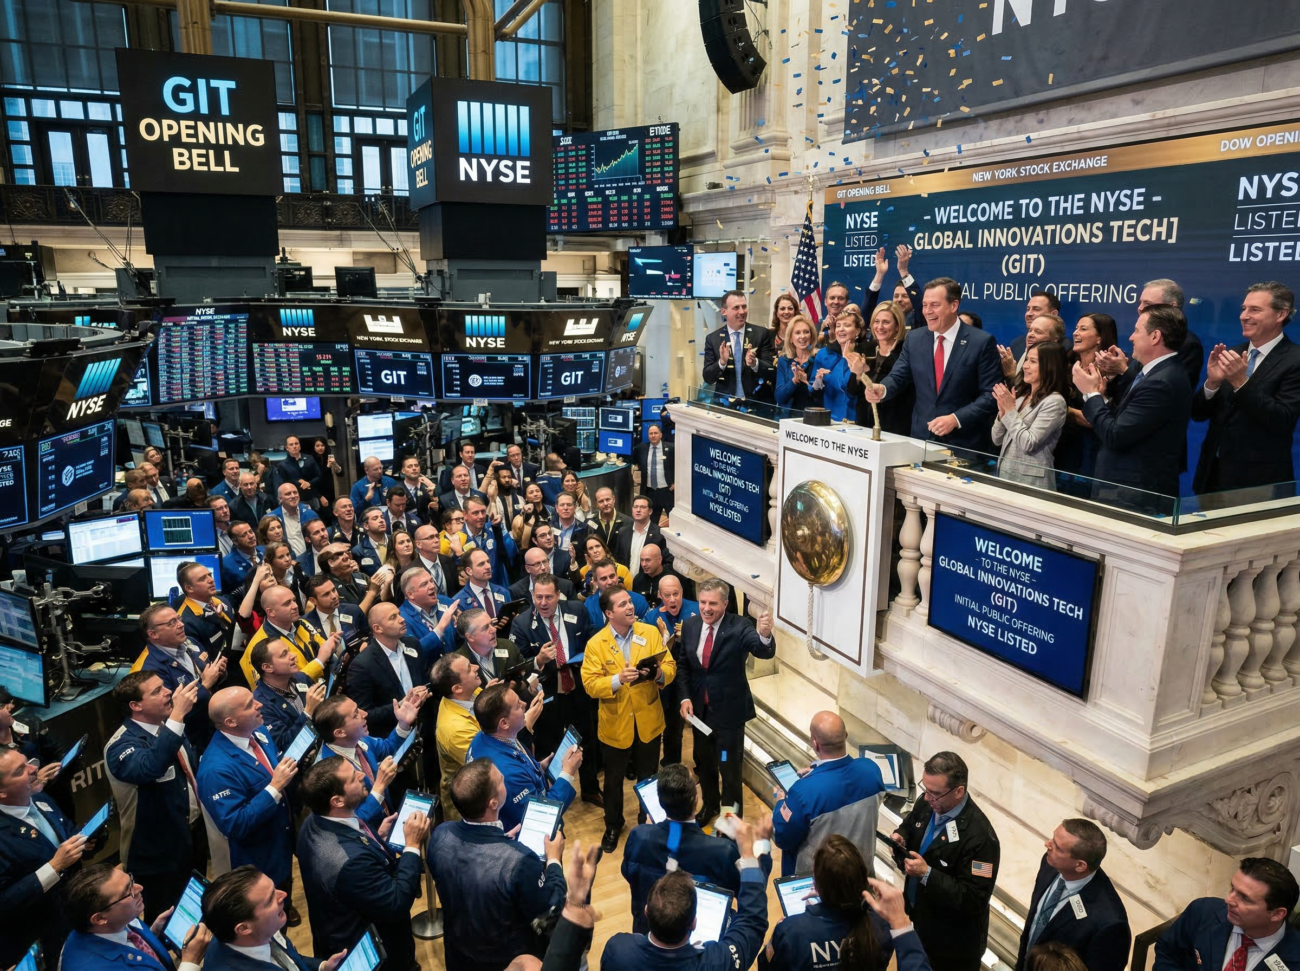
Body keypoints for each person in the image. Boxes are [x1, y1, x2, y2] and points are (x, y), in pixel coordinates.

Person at [427, 758, 568, 971]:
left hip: (459, 957)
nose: (505, 781)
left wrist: (501, 841)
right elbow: (550, 912)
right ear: (493, 803)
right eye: (501, 780)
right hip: (507, 961)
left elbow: (471, 870)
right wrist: (555, 860)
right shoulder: (521, 861)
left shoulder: (439, 835)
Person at [296, 757, 428, 971]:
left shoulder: (314, 821)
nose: (362, 775)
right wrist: (412, 845)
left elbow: (355, 844)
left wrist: (377, 839)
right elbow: (396, 903)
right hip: (376, 953)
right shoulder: (351, 862)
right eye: (352, 778)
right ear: (337, 801)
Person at [601, 815, 769, 971]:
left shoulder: (618, 952)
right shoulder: (716, 963)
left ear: (647, 912)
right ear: (693, 923)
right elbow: (752, 922)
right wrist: (748, 853)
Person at [621, 762, 773, 934]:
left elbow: (629, 873)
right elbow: (752, 892)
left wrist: (648, 831)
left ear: (661, 804)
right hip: (698, 939)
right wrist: (762, 848)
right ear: (696, 800)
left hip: (648, 933)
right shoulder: (722, 851)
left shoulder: (638, 836)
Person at [582, 585, 676, 852]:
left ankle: (647, 822)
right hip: (615, 724)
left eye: (630, 602)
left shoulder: (649, 632)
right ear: (609, 613)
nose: (630, 606)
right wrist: (616, 680)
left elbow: (669, 667)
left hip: (648, 720)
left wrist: (657, 675)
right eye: (623, 604)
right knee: (613, 781)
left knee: (649, 778)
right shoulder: (596, 644)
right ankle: (613, 825)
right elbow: (590, 685)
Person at [104, 671, 203, 921]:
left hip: (189, 837)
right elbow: (150, 767)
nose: (168, 692)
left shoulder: (167, 726)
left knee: (193, 910)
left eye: (164, 687)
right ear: (135, 706)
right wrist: (178, 715)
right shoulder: (120, 746)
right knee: (162, 919)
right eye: (157, 691)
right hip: (154, 855)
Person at [1073, 304, 1193, 507]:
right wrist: (1100, 398)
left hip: (1135, 494)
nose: (1131, 337)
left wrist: (1090, 393)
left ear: (1155, 337)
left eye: (1137, 331)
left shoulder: (1161, 382)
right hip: (1125, 490)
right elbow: (1123, 423)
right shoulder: (1153, 374)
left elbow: (1115, 435)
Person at [891, 750, 1001, 971]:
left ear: (958, 791)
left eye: (935, 793)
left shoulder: (981, 839)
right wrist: (900, 835)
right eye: (926, 789)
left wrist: (927, 874)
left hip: (950, 945)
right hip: (918, 919)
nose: (928, 797)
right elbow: (911, 824)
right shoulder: (928, 802)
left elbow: (973, 899)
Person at [865, 278, 1002, 451]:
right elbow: (898, 376)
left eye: (934, 305)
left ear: (953, 306)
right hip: (921, 439)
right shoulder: (914, 339)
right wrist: (882, 389)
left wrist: (956, 418)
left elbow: (991, 394)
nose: (927, 311)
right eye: (924, 305)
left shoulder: (981, 342)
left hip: (964, 444)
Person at [676, 580, 774, 822]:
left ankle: (732, 821)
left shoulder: (739, 626)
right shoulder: (689, 625)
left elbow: (762, 650)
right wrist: (685, 698)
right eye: (702, 602)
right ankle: (710, 806)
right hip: (700, 714)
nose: (706, 608)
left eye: (713, 603)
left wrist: (764, 634)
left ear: (726, 604)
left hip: (729, 717)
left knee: (729, 771)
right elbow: (683, 666)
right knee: (705, 764)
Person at [1192, 282, 1300, 497]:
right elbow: (1197, 414)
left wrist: (1241, 382)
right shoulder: (1234, 352)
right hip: (1212, 475)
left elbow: (1283, 419)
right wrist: (1211, 384)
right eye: (1244, 308)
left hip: (1258, 483)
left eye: (1255, 309)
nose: (1244, 316)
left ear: (1281, 314)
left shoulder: (1295, 359)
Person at [196, 687, 297, 908]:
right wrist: (275, 787)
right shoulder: (216, 769)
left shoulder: (258, 733)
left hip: (281, 846)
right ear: (231, 722)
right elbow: (235, 824)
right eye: (250, 704)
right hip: (257, 864)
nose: (259, 704)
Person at [759, 834, 897, 971]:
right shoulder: (881, 927)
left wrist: (778, 934)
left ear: (816, 883)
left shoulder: (790, 932)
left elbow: (765, 966)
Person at [771, 710, 884, 876]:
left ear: (815, 744)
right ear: (845, 735)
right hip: (860, 877)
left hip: (819, 885)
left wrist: (782, 801)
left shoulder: (801, 792)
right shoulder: (871, 770)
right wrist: (818, 772)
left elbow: (782, 837)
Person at [0, 747, 86, 965]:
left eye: (27, 761)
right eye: (20, 770)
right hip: (42, 938)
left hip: (77, 913)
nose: (33, 769)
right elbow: (4, 903)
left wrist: (88, 840)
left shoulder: (40, 798)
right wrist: (54, 867)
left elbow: (66, 831)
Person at [509, 574, 596, 783]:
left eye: (548, 597)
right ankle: (556, 790)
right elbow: (518, 666)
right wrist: (538, 660)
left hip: (579, 687)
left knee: (588, 740)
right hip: (547, 693)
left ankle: (591, 789)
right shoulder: (521, 623)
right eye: (538, 597)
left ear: (559, 595)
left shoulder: (577, 609)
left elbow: (591, 641)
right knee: (550, 743)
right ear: (532, 595)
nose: (543, 602)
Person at [1015, 819, 1130, 971]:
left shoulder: (1110, 924)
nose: (1047, 844)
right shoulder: (1050, 863)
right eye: (1053, 839)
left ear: (1080, 865)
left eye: (1057, 847)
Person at [466, 683, 581, 831]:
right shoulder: (507, 773)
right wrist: (567, 774)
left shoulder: (483, 737)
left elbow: (516, 760)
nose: (525, 704)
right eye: (518, 706)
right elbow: (542, 817)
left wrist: (539, 767)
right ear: (504, 723)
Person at [1154, 857, 1300, 971]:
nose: (1229, 900)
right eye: (1232, 889)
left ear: (1277, 914)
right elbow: (1167, 952)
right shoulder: (1203, 911)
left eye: (1245, 898)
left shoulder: (1295, 958)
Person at [59, 864, 211, 971]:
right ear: (99, 919)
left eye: (130, 880)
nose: (139, 888)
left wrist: (152, 937)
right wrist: (191, 961)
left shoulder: (113, 921)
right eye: (128, 891)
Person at [200, 865, 345, 971]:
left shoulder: (257, 931)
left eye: (274, 888)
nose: (283, 895)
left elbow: (291, 960)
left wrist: (322, 967)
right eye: (270, 900)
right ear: (243, 928)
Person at [131, 603, 228, 753]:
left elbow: (208, 674)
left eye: (179, 619)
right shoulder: (151, 670)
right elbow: (170, 713)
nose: (181, 625)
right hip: (191, 740)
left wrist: (219, 673)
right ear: (153, 634)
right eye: (172, 623)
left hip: (214, 726)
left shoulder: (190, 642)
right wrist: (205, 685)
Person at [314, 693, 419, 828]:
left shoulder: (358, 739)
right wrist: (379, 786)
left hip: (388, 820)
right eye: (356, 714)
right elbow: (350, 820)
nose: (365, 714)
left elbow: (386, 749)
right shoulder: (328, 772)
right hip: (368, 835)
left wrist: (403, 724)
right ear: (340, 733)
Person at [992, 341, 1069, 490]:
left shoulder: (1055, 402)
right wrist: (1002, 414)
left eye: (1033, 361)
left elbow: (1028, 443)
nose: (1025, 366)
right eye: (1026, 359)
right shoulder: (1020, 396)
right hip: (1005, 476)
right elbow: (997, 439)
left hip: (1032, 483)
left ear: (1049, 366)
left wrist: (1009, 411)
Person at [643, 576, 699, 766]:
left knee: (694, 726)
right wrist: (666, 638)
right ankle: (670, 765)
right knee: (669, 727)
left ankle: (699, 766)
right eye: (668, 595)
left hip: (691, 679)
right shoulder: (652, 617)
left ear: (682, 592)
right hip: (664, 682)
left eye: (676, 594)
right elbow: (649, 653)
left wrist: (689, 636)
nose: (673, 599)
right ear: (660, 595)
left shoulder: (697, 610)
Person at [1057, 314, 1119, 483]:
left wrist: (1059, 410)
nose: (1076, 333)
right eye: (1076, 328)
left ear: (1100, 338)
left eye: (1083, 329)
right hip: (1061, 450)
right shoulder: (1066, 363)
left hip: (1090, 456)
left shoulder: (1110, 374)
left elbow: (1096, 419)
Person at [237, 584, 337, 689]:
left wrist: (332, 645)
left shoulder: (302, 624)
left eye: (294, 600)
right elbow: (275, 691)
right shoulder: (257, 648)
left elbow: (325, 650)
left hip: (325, 688)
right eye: (287, 603)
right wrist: (319, 662)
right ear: (271, 612)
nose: (295, 606)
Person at [846, 300, 913, 435]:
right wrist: (858, 375)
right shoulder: (865, 349)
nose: (880, 327)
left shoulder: (905, 353)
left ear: (897, 326)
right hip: (864, 426)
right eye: (877, 321)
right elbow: (852, 390)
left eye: (886, 322)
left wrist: (865, 371)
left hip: (894, 427)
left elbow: (894, 385)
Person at [431, 653, 483, 820]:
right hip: (470, 810)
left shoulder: (469, 693)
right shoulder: (455, 730)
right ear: (457, 688)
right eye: (469, 669)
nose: (476, 668)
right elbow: (489, 765)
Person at [250, 639, 324, 753]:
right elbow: (283, 744)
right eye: (284, 654)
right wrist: (308, 712)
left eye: (289, 651)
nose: (293, 655)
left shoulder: (301, 678)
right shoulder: (260, 705)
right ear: (268, 667)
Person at [702, 290, 777, 401]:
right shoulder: (713, 339)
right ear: (723, 311)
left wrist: (755, 363)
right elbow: (708, 378)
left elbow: (771, 371)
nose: (742, 312)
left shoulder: (762, 334)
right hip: (725, 406)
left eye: (744, 307)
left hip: (757, 406)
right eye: (736, 308)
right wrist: (721, 363)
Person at [176, 560, 237, 683]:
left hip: (237, 662)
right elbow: (199, 662)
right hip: (218, 678)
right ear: (189, 588)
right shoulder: (185, 621)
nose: (211, 580)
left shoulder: (223, 601)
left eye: (210, 575)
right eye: (202, 579)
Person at [1139, 278, 1205, 390]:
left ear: (1171, 307)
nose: (1140, 308)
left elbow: (1172, 391)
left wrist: (1123, 370)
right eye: (1140, 302)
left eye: (1147, 303)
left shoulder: (1189, 344)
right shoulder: (1142, 337)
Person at [812, 307, 868, 421]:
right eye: (838, 326)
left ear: (857, 331)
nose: (841, 329)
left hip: (855, 422)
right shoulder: (824, 354)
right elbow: (812, 390)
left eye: (846, 325)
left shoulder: (865, 356)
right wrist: (819, 381)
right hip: (828, 420)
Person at [455, 606, 531, 685]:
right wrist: (486, 695)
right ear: (470, 637)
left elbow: (524, 680)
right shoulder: (458, 664)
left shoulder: (508, 647)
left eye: (491, 624)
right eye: (485, 628)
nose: (494, 629)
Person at [397, 566, 460, 655]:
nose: (432, 586)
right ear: (410, 594)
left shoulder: (446, 602)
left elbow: (458, 638)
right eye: (424, 584)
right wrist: (440, 628)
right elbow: (415, 652)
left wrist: (462, 625)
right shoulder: (402, 619)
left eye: (431, 581)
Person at [613, 494, 670, 581]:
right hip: (626, 582)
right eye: (635, 507)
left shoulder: (660, 534)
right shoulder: (623, 532)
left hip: (649, 582)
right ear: (632, 510)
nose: (638, 510)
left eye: (642, 507)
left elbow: (667, 561)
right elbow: (618, 558)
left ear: (650, 511)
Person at [776, 315, 824, 411]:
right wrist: (794, 381)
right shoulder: (784, 360)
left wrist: (817, 382)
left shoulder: (819, 358)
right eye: (797, 333)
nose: (802, 336)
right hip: (789, 417)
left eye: (806, 332)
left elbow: (820, 396)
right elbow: (779, 397)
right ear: (790, 338)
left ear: (811, 336)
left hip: (814, 416)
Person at [1001, 314, 1066, 385]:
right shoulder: (1020, 351)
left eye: (1038, 332)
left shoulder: (1054, 366)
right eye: (1030, 330)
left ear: (1054, 339)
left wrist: (1011, 375)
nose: (1030, 335)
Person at [584, 558, 649, 629]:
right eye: (604, 579)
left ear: (617, 576)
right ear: (595, 581)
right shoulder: (588, 605)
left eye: (612, 576)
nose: (610, 582)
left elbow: (648, 633)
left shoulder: (639, 601)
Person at [635, 423, 675, 522]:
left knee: (675, 522)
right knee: (651, 523)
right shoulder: (642, 448)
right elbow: (632, 459)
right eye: (650, 433)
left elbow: (681, 466)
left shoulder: (670, 448)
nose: (653, 435)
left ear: (660, 434)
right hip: (650, 492)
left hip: (667, 491)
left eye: (655, 433)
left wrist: (677, 482)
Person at [275, 435, 324, 514]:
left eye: (296, 444)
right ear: (287, 448)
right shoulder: (282, 465)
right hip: (294, 499)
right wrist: (298, 482)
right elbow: (282, 484)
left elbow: (319, 476)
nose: (294, 446)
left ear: (300, 446)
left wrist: (309, 483)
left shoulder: (309, 459)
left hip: (312, 497)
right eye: (291, 444)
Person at [511, 546, 578, 601]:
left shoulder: (566, 586)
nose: (543, 567)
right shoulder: (516, 591)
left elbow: (576, 612)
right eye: (537, 564)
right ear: (528, 569)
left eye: (545, 562)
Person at [1010, 291, 1062, 360]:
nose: (1029, 313)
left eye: (1036, 309)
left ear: (1053, 314)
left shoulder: (1064, 348)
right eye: (1028, 309)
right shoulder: (1016, 345)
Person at [222, 520, 262, 593]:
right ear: (235, 542)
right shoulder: (226, 565)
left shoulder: (265, 552)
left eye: (251, 531)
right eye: (244, 535)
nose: (251, 536)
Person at [351, 506, 392, 576]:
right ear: (366, 526)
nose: (381, 520)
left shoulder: (396, 541)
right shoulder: (358, 551)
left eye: (382, 517)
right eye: (375, 518)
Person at [817, 280, 852, 345]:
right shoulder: (815, 329)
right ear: (825, 301)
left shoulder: (852, 329)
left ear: (847, 302)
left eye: (840, 298)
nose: (836, 302)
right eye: (832, 298)